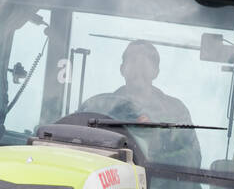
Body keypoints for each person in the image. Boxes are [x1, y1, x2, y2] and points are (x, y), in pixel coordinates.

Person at [81, 40, 201, 168]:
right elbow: (75, 146)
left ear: (156, 71)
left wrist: (157, 144)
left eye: (145, 61)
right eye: (133, 61)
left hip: (156, 185)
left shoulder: (176, 113)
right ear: (122, 69)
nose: (138, 67)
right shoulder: (97, 107)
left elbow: (192, 161)